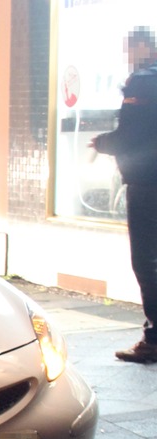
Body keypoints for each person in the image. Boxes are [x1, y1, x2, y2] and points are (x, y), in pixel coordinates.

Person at [93, 27, 157, 363]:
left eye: (131, 49)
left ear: (145, 47)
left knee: (147, 261)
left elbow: (132, 135)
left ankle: (154, 339)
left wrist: (102, 143)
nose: (129, 57)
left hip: (148, 182)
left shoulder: (144, 81)